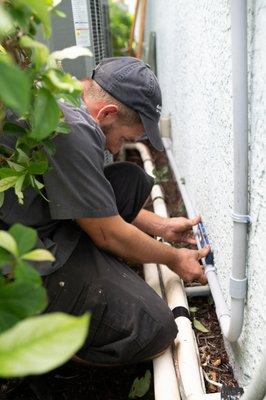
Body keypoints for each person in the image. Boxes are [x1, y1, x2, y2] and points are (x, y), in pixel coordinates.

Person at [0, 57, 209, 366]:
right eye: (124, 138)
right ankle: (46, 344)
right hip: (22, 255)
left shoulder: (65, 95)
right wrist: (176, 258)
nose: (115, 148)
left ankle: (94, 277)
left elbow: (93, 201)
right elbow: (107, 232)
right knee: (153, 330)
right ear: (108, 113)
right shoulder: (72, 131)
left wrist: (161, 228)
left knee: (130, 180)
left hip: (38, 221)